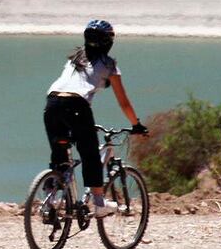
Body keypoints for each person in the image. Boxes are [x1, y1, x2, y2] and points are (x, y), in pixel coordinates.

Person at [43, 19, 147, 217]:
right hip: (76, 105)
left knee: (60, 152)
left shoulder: (74, 59)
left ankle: (51, 197)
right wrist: (137, 125)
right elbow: (123, 102)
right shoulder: (109, 65)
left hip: (51, 104)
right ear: (109, 41)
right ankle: (99, 204)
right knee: (89, 153)